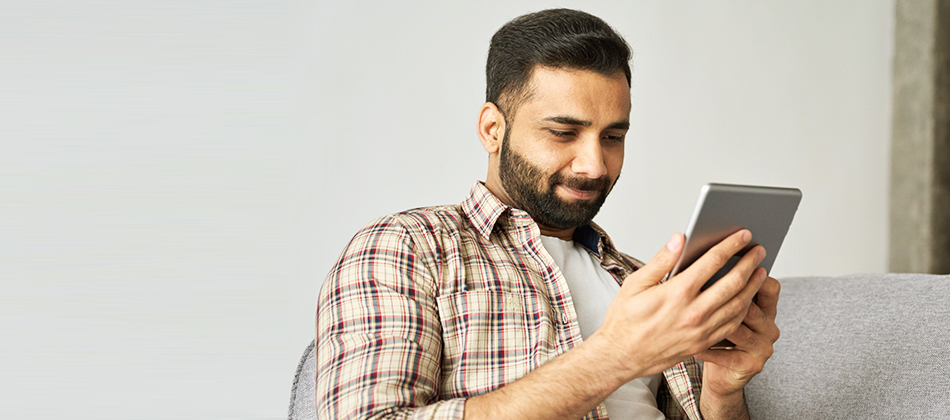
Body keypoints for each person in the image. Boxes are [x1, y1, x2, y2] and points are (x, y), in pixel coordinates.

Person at [314, 8, 782, 420]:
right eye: (563, 132)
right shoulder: (407, 248)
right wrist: (616, 354)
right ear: (493, 128)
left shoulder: (642, 285)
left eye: (613, 137)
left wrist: (723, 395)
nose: (595, 165)